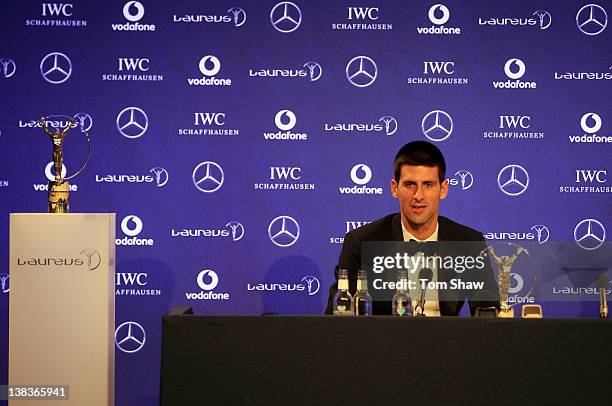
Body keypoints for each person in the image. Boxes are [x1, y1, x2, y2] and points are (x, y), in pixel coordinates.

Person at [325, 141, 500, 316]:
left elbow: (486, 309)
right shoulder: (362, 243)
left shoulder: (468, 242)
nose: (418, 196)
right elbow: (338, 316)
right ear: (395, 188)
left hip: (448, 341)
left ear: (443, 189)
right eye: (410, 184)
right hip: (384, 341)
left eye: (428, 185)